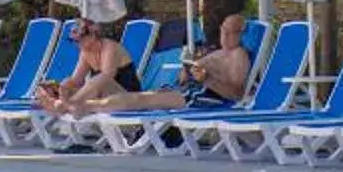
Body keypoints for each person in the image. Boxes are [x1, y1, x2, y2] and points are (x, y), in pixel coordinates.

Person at [82, 12, 253, 114]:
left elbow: (236, 94)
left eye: (231, 32)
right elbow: (183, 78)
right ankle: (85, 104)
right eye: (223, 30)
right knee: (143, 97)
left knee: (140, 100)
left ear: (241, 34)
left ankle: (85, 106)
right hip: (186, 91)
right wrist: (187, 71)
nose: (225, 35)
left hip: (205, 98)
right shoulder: (217, 52)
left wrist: (207, 79)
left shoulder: (239, 56)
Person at [31, 19, 142, 113]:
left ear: (93, 36)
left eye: (79, 40)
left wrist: (75, 94)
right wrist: (61, 86)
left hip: (128, 98)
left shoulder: (109, 47)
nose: (76, 44)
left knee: (101, 80)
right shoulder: (86, 52)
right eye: (73, 41)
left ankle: (65, 106)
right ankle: (60, 103)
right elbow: (77, 80)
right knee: (65, 86)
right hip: (106, 98)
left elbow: (107, 77)